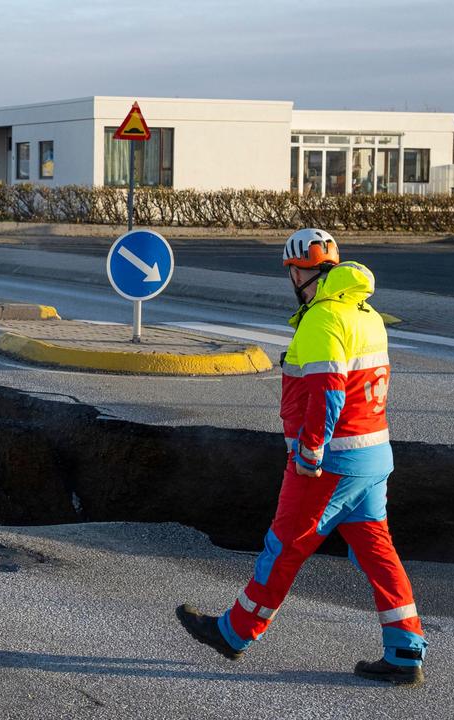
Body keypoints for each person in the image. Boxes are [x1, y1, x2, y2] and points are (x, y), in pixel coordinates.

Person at [176, 228, 428, 685]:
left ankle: (234, 632)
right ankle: (406, 649)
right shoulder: (366, 313)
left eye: (291, 270)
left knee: (284, 546)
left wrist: (310, 452)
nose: (290, 278)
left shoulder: (322, 318)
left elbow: (328, 392)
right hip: (372, 457)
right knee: (377, 552)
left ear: (301, 272)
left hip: (331, 462)